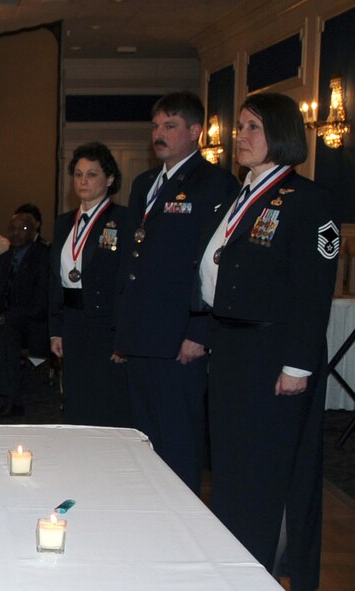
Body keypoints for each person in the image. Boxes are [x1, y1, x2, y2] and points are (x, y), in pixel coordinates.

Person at [198, 93, 337, 591]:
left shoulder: (309, 201)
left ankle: (261, 568)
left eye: (252, 127)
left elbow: (312, 291)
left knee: (266, 472)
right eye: (239, 127)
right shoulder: (242, 194)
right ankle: (234, 559)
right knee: (232, 468)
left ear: (279, 134)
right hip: (232, 348)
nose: (240, 136)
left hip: (274, 355)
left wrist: (298, 364)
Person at [113, 91, 240, 493]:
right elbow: (131, 262)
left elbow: (211, 262)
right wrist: (124, 331)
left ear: (195, 131)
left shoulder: (215, 182)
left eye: (170, 126)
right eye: (155, 126)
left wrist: (199, 330)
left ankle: (182, 513)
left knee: (179, 436)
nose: (159, 134)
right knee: (143, 433)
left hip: (178, 332)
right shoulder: (145, 182)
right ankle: (148, 505)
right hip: (142, 332)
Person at [49, 142, 131, 427]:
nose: (83, 181)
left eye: (92, 174)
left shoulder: (123, 220)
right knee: (76, 398)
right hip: (72, 321)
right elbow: (55, 279)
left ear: (109, 179)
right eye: (79, 174)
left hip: (105, 324)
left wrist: (123, 336)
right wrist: (55, 329)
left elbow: (127, 281)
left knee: (105, 400)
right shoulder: (63, 222)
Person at [0, 212, 50, 417]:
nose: (16, 233)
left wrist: (0, 318)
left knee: (8, 333)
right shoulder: (6, 258)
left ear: (34, 231)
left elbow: (39, 305)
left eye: (23, 229)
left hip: (32, 324)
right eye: (13, 229)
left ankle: (10, 399)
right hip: (5, 318)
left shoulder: (43, 257)